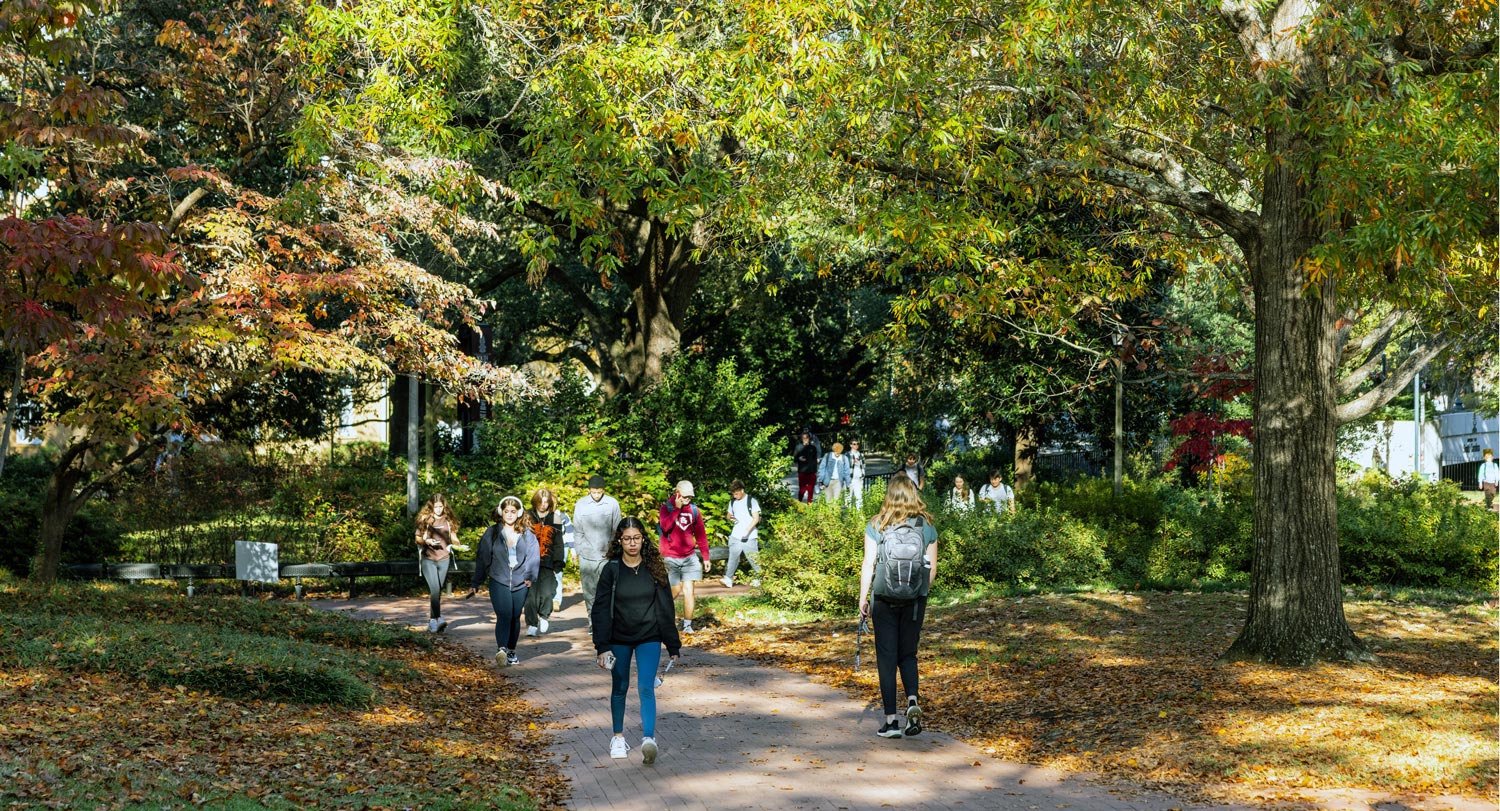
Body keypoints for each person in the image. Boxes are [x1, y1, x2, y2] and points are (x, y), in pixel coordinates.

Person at [592, 517, 682, 765]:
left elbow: (666, 608)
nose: (632, 543)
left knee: (645, 687)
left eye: (637, 538)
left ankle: (648, 740)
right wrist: (602, 646)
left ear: (644, 539)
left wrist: (672, 644)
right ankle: (618, 737)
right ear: (619, 541)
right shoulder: (611, 570)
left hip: (649, 637)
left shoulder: (655, 569)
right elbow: (599, 609)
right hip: (618, 638)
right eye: (627, 539)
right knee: (619, 687)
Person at [856, 474, 939, 739]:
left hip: (883, 598)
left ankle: (891, 722)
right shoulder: (926, 525)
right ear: (914, 495)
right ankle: (912, 701)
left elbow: (869, 564)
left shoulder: (877, 525)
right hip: (915, 600)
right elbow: (932, 567)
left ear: (889, 495)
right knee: (908, 654)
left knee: (886, 658)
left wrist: (863, 598)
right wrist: (919, 592)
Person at [466, 496, 539, 666]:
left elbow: (534, 556)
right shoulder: (492, 533)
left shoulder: (527, 533)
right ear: (501, 512)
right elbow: (483, 558)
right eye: (506, 511)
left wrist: (530, 576)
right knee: (504, 614)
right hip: (499, 580)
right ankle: (502, 649)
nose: (510, 515)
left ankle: (511, 651)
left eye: (513, 512)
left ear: (519, 513)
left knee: (515, 616)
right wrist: (475, 583)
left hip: (521, 582)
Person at [658, 480, 710, 633]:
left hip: (689, 556)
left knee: (689, 590)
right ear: (678, 493)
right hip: (670, 556)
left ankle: (687, 625)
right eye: (685, 497)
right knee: (675, 590)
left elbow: (701, 535)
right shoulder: (665, 508)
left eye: (690, 497)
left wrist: (706, 557)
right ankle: (658, 615)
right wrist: (676, 509)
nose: (688, 500)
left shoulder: (694, 511)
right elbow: (665, 527)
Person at [574, 474, 623, 628]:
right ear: (589, 490)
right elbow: (578, 531)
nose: (596, 495)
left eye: (599, 492)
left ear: (603, 490)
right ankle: (593, 622)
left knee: (609, 589)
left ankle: (609, 621)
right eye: (593, 492)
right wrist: (578, 550)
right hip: (587, 555)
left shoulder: (612, 504)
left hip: (606, 555)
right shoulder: (581, 504)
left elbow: (617, 528)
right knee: (589, 592)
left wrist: (615, 551)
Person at [524, 488, 574, 637]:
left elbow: (558, 541)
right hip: (529, 562)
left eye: (546, 502)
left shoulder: (555, 518)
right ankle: (532, 624)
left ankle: (544, 616)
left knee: (547, 592)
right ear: (535, 501)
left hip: (548, 560)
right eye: (541, 501)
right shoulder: (527, 516)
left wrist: (558, 561)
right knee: (530, 596)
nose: (543, 505)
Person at [414, 494, 459, 633]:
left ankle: (432, 622)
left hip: (444, 559)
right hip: (429, 559)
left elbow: (453, 537)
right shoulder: (425, 520)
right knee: (435, 589)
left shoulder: (448, 520)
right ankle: (438, 618)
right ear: (431, 506)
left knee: (437, 591)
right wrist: (426, 541)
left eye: (441, 507)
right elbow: (418, 538)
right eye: (436, 507)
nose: (438, 509)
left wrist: (458, 544)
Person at [720, 480, 762, 589]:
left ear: (742, 490)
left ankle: (760, 578)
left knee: (753, 558)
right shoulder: (733, 502)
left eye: (736, 493)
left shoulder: (751, 501)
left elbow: (756, 518)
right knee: (733, 557)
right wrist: (732, 519)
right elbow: (728, 515)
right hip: (736, 535)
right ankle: (728, 579)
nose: (735, 496)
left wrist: (747, 530)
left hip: (750, 536)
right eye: (733, 494)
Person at [793, 430, 820, 503]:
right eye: (803, 438)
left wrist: (815, 471)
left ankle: (809, 505)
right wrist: (799, 458)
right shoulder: (798, 447)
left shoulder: (813, 448)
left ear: (809, 438)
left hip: (811, 471)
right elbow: (794, 458)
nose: (805, 439)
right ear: (801, 439)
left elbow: (815, 460)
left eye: (806, 438)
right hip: (802, 471)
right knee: (802, 489)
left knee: (810, 489)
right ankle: (799, 502)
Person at [848, 439, 867, 509]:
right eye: (854, 444)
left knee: (859, 498)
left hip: (858, 479)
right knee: (848, 498)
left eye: (857, 444)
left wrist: (862, 475)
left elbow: (864, 465)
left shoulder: (861, 455)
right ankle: (848, 515)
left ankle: (859, 515)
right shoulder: (847, 454)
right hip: (850, 478)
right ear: (851, 445)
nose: (856, 445)